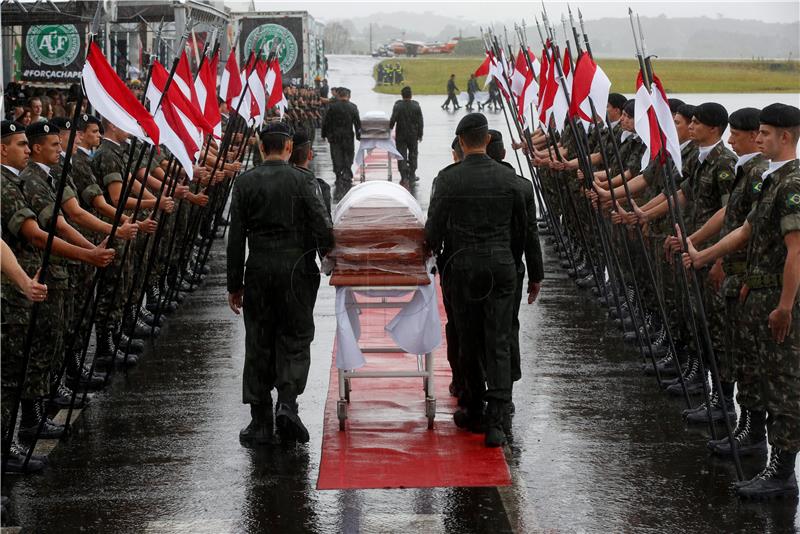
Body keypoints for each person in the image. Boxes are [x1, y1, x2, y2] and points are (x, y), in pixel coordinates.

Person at [682, 103, 800, 500]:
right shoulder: (772, 179)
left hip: (780, 301)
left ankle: (783, 472)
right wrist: (703, 254)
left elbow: (796, 251)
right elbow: (746, 229)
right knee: (761, 374)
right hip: (759, 294)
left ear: (785, 136)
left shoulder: (793, 183)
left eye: (765, 132)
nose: (757, 138)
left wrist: (785, 306)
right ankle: (759, 445)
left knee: (784, 386)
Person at [227, 121, 334, 445]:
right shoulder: (303, 181)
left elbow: (235, 238)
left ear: (261, 147)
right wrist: (326, 255)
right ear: (289, 148)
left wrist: (235, 284)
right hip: (296, 269)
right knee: (295, 336)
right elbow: (323, 227)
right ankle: (287, 403)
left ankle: (260, 419)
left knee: (259, 339)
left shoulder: (245, 182)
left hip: (258, 267)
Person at [425, 113, 526, 447]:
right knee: (498, 340)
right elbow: (521, 233)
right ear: (485, 140)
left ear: (462, 141)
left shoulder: (449, 179)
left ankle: (473, 408)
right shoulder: (510, 180)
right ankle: (497, 420)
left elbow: (433, 230)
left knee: (468, 339)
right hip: (501, 266)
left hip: (463, 267)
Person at [485, 130, 544, 419]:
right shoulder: (521, 186)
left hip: (474, 268)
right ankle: (504, 392)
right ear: (503, 154)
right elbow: (530, 234)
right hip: (510, 266)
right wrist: (536, 274)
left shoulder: (460, 179)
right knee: (507, 326)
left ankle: (480, 389)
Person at [321, 87, 361, 198]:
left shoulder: (333, 107)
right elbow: (357, 123)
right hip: (347, 136)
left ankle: (338, 174)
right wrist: (359, 135)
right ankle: (347, 172)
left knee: (336, 155)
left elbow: (326, 121)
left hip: (335, 137)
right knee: (348, 154)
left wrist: (324, 134)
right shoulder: (353, 107)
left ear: (339, 95)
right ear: (348, 96)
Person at [389, 86, 424, 187]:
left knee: (401, 155)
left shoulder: (398, 106)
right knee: (413, 154)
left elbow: (393, 119)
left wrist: (390, 128)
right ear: (411, 95)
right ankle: (412, 174)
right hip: (413, 134)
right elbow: (420, 121)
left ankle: (403, 176)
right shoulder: (416, 106)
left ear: (402, 95)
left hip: (401, 134)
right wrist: (420, 134)